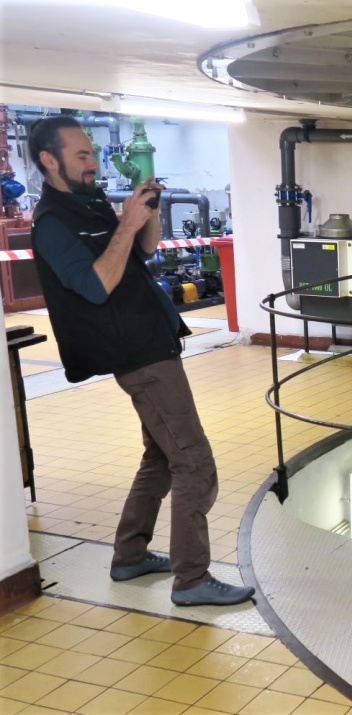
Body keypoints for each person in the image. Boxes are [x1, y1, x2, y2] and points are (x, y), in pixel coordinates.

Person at [28, 116, 254, 607]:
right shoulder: (51, 224)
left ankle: (130, 554)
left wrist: (144, 210)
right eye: (82, 155)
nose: (93, 163)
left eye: (92, 153)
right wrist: (126, 223)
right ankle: (192, 579)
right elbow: (95, 285)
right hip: (136, 353)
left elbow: (142, 251)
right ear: (49, 160)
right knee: (194, 461)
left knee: (161, 456)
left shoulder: (90, 203)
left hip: (152, 339)